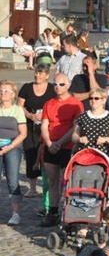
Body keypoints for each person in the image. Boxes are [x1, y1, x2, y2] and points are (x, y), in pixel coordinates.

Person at [40, 73, 84, 227]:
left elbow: (75, 127)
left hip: (67, 147)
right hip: (50, 146)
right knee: (52, 182)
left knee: (67, 182)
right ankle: (53, 212)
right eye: (55, 84)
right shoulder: (49, 103)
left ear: (69, 84)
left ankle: (69, 213)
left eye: (61, 84)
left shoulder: (75, 104)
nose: (58, 87)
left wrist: (58, 143)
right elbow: (44, 125)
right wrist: (49, 143)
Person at [17, 64, 55, 198]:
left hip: (48, 126)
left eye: (41, 73)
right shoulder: (27, 88)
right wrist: (29, 115)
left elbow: (56, 105)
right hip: (30, 126)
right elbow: (19, 105)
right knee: (30, 154)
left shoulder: (52, 89)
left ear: (47, 75)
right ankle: (32, 188)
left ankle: (50, 185)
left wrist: (45, 115)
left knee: (47, 154)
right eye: (36, 73)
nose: (37, 76)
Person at [0, 81, 27, 225]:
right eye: (1, 90)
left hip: (13, 147)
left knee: (12, 180)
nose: (2, 93)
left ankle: (16, 213)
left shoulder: (17, 110)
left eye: (6, 91)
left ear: (13, 94)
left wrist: (9, 147)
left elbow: (23, 133)